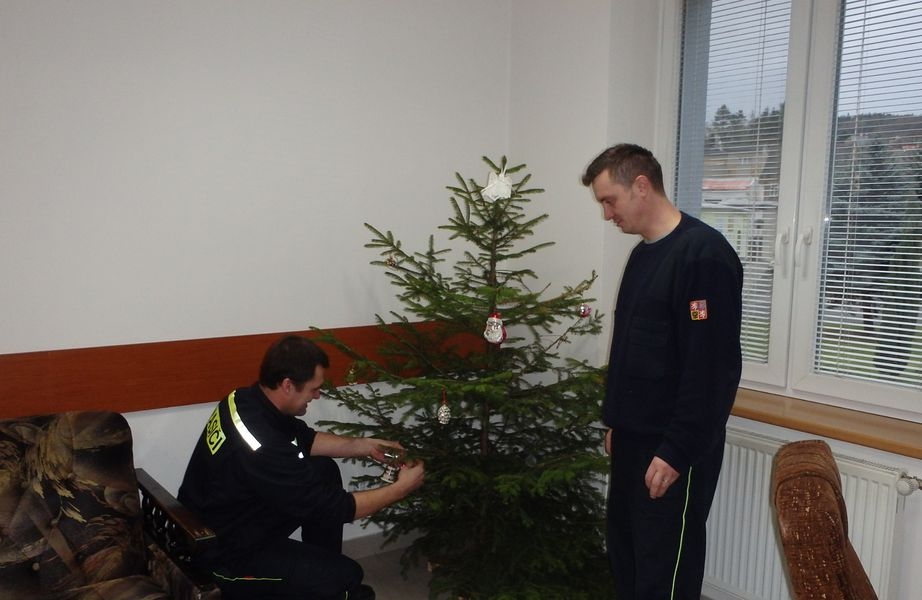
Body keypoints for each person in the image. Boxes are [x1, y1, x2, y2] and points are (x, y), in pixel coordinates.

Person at [581, 143, 743, 599]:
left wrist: (676, 451)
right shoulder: (643, 254)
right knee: (628, 554)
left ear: (641, 185)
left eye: (609, 200)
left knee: (664, 569)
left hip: (674, 448)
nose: (607, 214)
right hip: (634, 438)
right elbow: (632, 351)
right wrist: (617, 421)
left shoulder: (703, 256)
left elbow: (713, 370)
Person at [178, 334, 425, 600]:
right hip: (221, 556)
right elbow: (339, 508)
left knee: (323, 470)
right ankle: (327, 581)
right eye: (313, 389)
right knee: (349, 577)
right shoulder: (261, 446)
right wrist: (402, 488)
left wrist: (365, 445)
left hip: (233, 518)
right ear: (287, 385)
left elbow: (306, 439)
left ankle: (320, 577)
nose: (318, 395)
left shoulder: (244, 400)